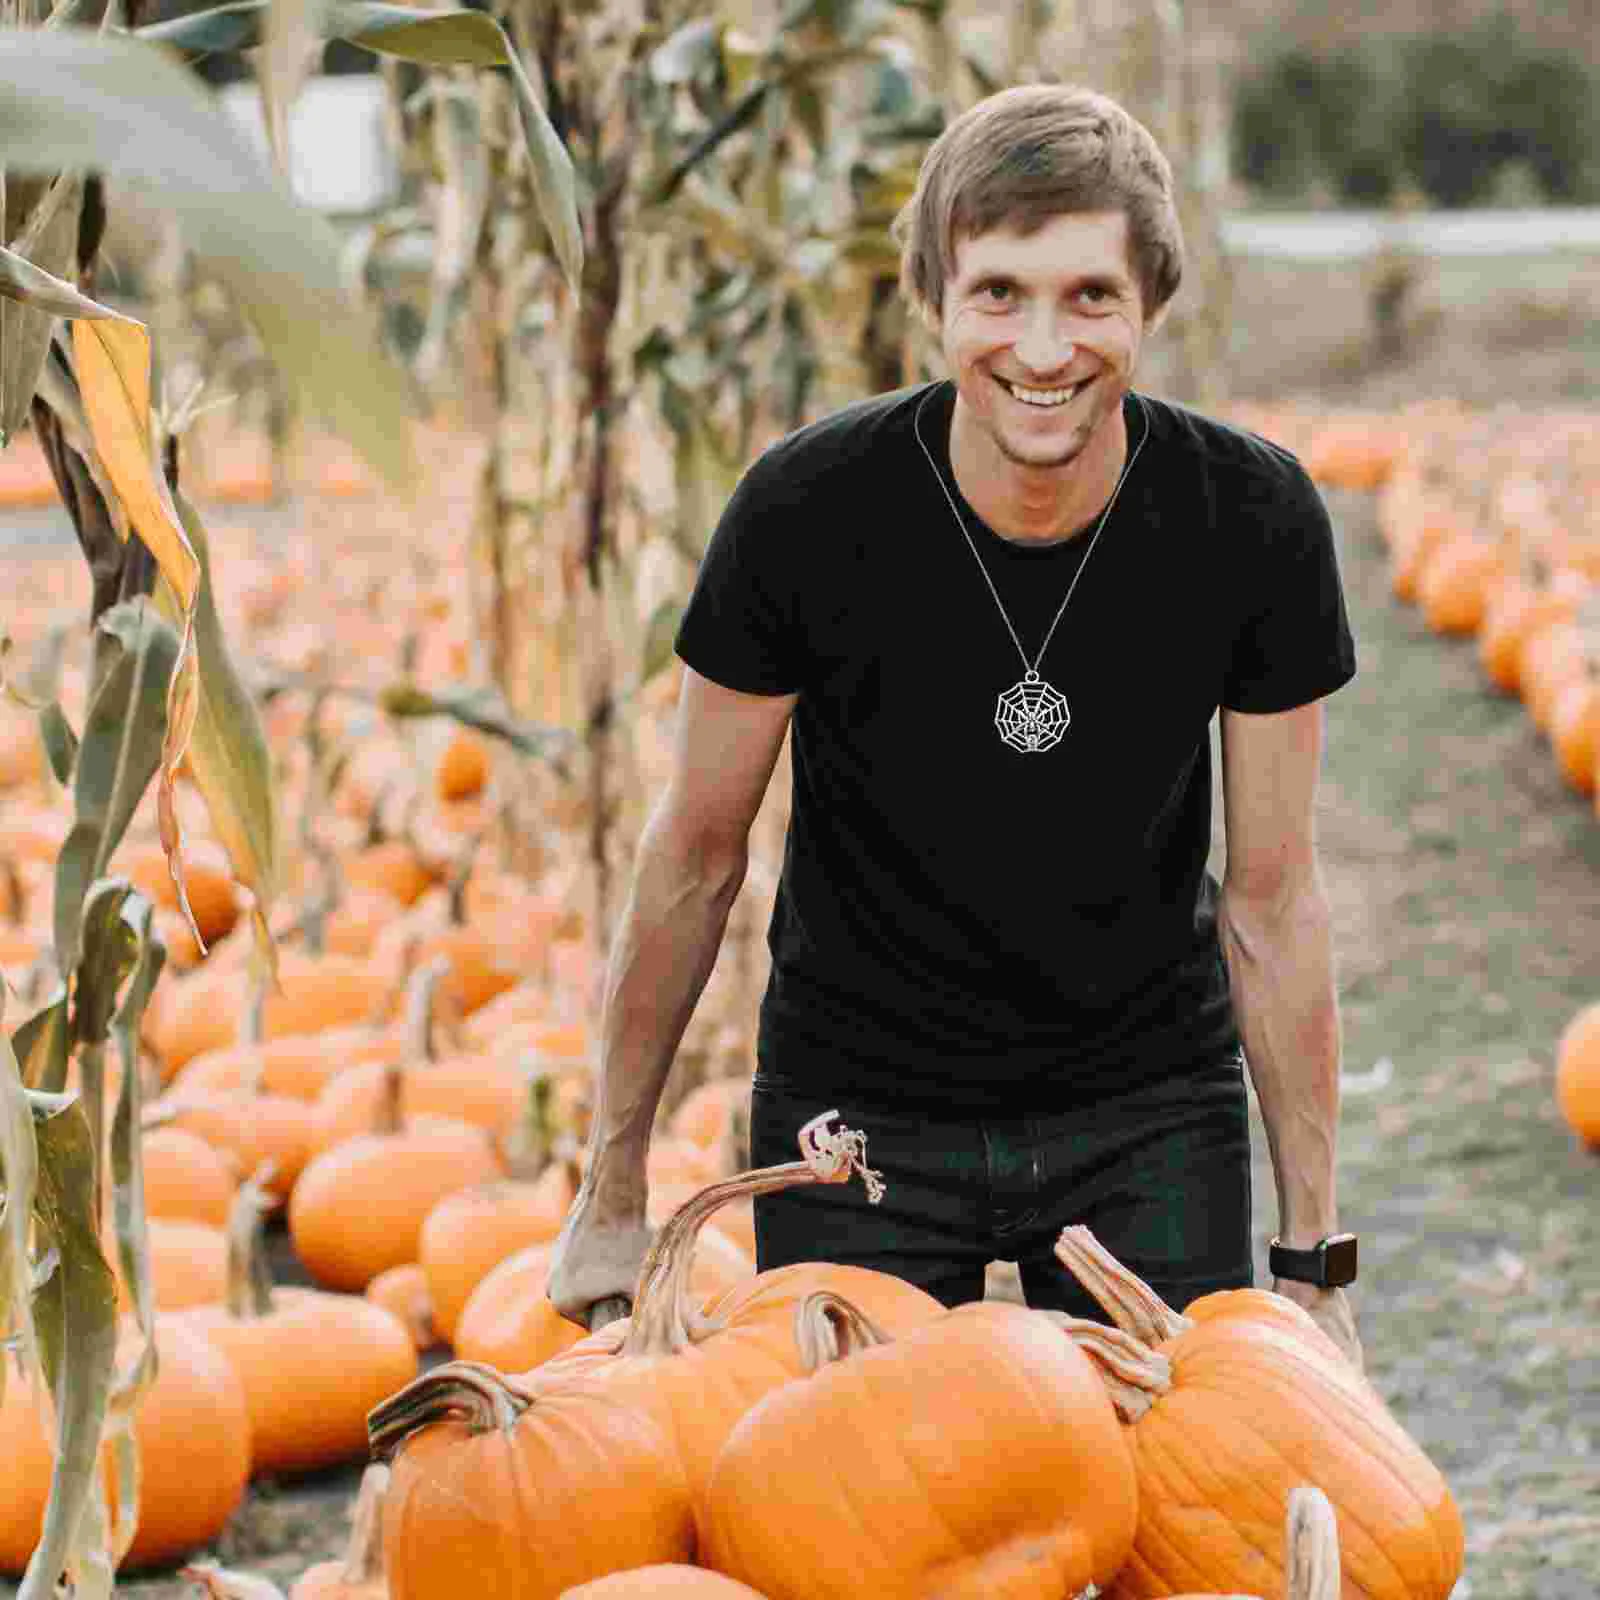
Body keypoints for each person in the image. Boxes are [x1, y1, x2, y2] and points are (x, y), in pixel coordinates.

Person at [547, 82, 1363, 1366]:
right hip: (858, 1118)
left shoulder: (1249, 522)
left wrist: (1313, 1261)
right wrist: (611, 1190)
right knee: (850, 1528)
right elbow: (694, 859)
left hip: (1144, 1103)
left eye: (1090, 296)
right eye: (998, 294)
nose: (1043, 348)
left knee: (1184, 1522)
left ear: (1149, 302)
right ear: (933, 297)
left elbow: (1271, 902)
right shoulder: (805, 512)